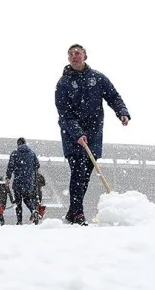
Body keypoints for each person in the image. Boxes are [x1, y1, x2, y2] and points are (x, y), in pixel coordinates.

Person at [55, 44, 130, 225]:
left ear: (85, 56)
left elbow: (113, 96)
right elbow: (64, 113)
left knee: (86, 174)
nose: (74, 56)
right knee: (78, 171)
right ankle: (78, 213)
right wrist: (77, 133)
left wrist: (122, 112)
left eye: (78, 53)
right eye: (71, 54)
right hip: (73, 136)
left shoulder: (97, 78)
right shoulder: (63, 83)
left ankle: (72, 213)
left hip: (94, 133)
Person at [5, 137, 41, 225]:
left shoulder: (15, 153)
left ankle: (19, 221)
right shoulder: (32, 153)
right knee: (27, 199)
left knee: (18, 202)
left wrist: (8, 177)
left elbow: (10, 166)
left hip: (18, 180)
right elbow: (37, 165)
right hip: (29, 182)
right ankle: (33, 210)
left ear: (18, 144)